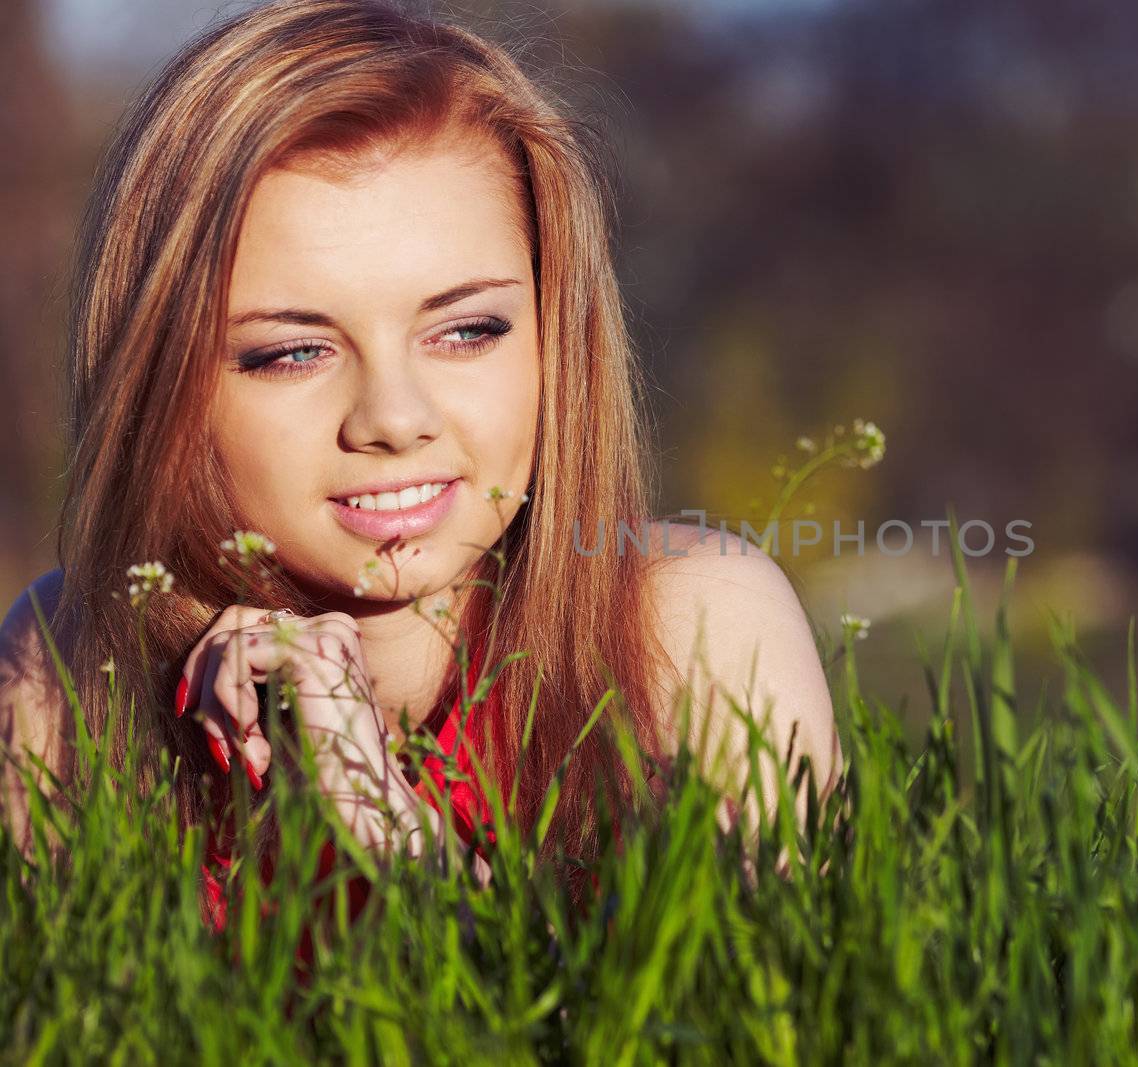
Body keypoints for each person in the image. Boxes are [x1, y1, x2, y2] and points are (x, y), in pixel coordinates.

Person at [0, 0, 841, 926]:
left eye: (465, 330)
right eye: (292, 352)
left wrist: (395, 833)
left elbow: (760, 1023)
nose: (395, 420)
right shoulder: (66, 665)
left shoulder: (686, 627)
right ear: (164, 381)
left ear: (551, 336)